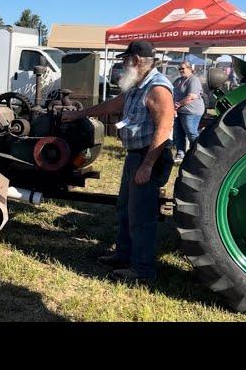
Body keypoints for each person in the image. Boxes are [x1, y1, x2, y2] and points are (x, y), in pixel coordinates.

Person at [62, 40, 174, 284]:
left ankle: (143, 271)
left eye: (125, 60)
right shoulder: (138, 86)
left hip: (148, 156)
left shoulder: (157, 88)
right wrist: (80, 114)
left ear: (135, 61)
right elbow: (114, 104)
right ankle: (124, 256)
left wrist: (147, 165)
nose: (122, 64)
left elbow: (164, 128)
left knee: (141, 215)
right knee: (125, 208)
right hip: (135, 155)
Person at [172, 61, 205, 163]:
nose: (181, 70)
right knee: (178, 133)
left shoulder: (194, 80)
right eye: (179, 69)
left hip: (192, 111)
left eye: (183, 68)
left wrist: (176, 105)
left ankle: (198, 154)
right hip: (179, 111)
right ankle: (180, 154)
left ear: (190, 68)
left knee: (191, 133)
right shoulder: (178, 80)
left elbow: (190, 97)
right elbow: (171, 93)